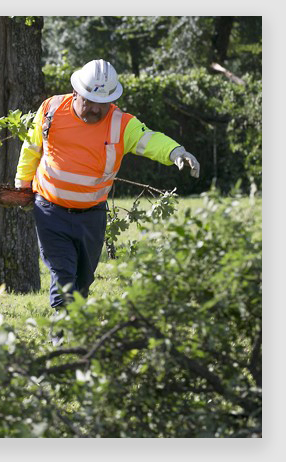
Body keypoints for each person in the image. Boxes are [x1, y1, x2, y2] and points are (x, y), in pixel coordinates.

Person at [14, 59, 199, 342]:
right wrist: (22, 185)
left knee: (83, 279)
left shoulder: (121, 124)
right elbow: (31, 147)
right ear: (76, 93)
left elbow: (150, 140)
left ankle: (77, 329)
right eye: (89, 101)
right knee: (63, 274)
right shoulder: (51, 109)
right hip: (50, 211)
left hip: (92, 215)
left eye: (103, 103)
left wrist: (176, 152)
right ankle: (60, 337)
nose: (95, 109)